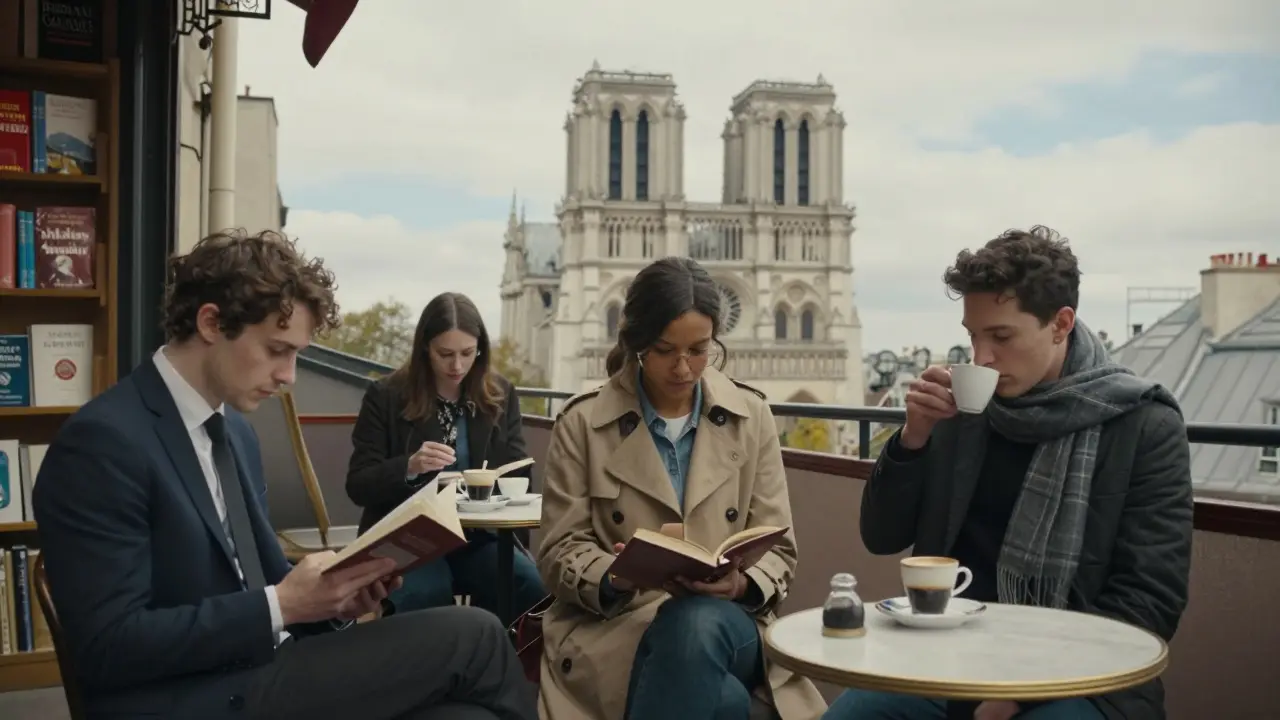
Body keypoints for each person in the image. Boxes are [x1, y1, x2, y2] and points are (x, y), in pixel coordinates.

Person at [33, 230, 537, 720]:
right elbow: (107, 649)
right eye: (277, 350)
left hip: (269, 667)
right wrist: (283, 605)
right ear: (211, 323)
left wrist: (337, 599)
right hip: (196, 694)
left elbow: (269, 581)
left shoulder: (235, 433)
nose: (289, 375)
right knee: (478, 634)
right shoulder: (103, 442)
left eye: (296, 354)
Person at [825, 227, 1193, 720]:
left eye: (1000, 336)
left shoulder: (1142, 424)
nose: (981, 358)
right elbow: (881, 535)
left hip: (1082, 681)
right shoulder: (961, 414)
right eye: (972, 336)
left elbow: (1149, 600)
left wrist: (1020, 693)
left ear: (1061, 324)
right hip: (945, 661)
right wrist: (912, 438)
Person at [535, 256, 827, 720]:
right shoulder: (581, 423)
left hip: (729, 622)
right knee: (726, 703)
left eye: (699, 349)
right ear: (635, 342)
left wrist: (740, 583)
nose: (684, 368)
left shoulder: (752, 417)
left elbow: (779, 547)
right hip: (615, 625)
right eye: (665, 350)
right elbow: (558, 551)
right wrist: (617, 574)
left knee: (692, 623)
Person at [346, 292, 547, 618]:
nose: (457, 366)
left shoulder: (499, 393)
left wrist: (492, 486)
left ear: (480, 350)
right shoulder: (385, 396)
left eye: (467, 353)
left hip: (477, 537)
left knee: (528, 585)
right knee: (424, 594)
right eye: (445, 354)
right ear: (425, 348)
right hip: (410, 538)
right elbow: (358, 484)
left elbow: (518, 472)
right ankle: (433, 668)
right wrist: (409, 467)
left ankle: (497, 664)